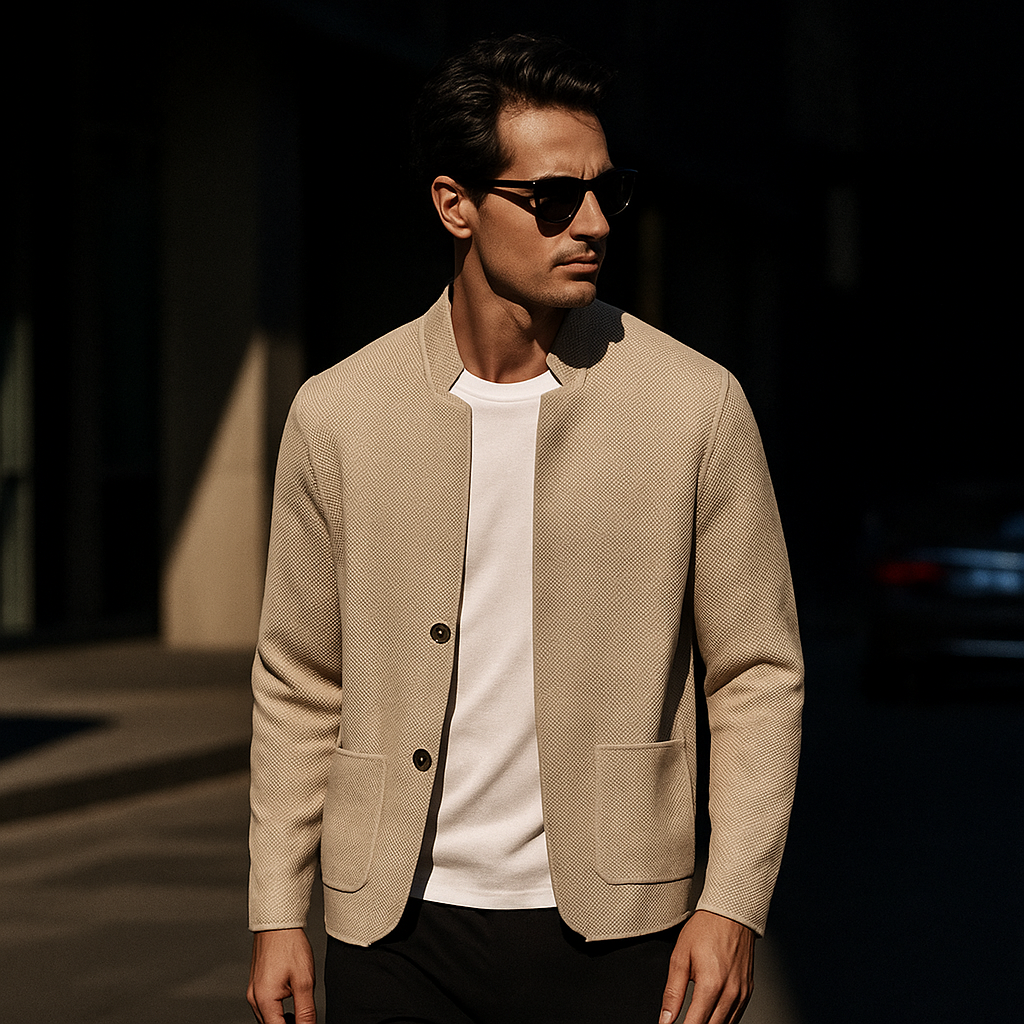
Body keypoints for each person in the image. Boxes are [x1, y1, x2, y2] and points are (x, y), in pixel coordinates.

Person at [246, 33, 802, 1024]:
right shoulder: (338, 413)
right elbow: (299, 679)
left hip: (617, 923)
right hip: (393, 928)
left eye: (606, 191)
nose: (592, 222)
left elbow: (755, 673)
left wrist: (731, 901)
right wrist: (277, 909)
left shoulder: (694, 406)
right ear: (453, 204)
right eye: (552, 197)